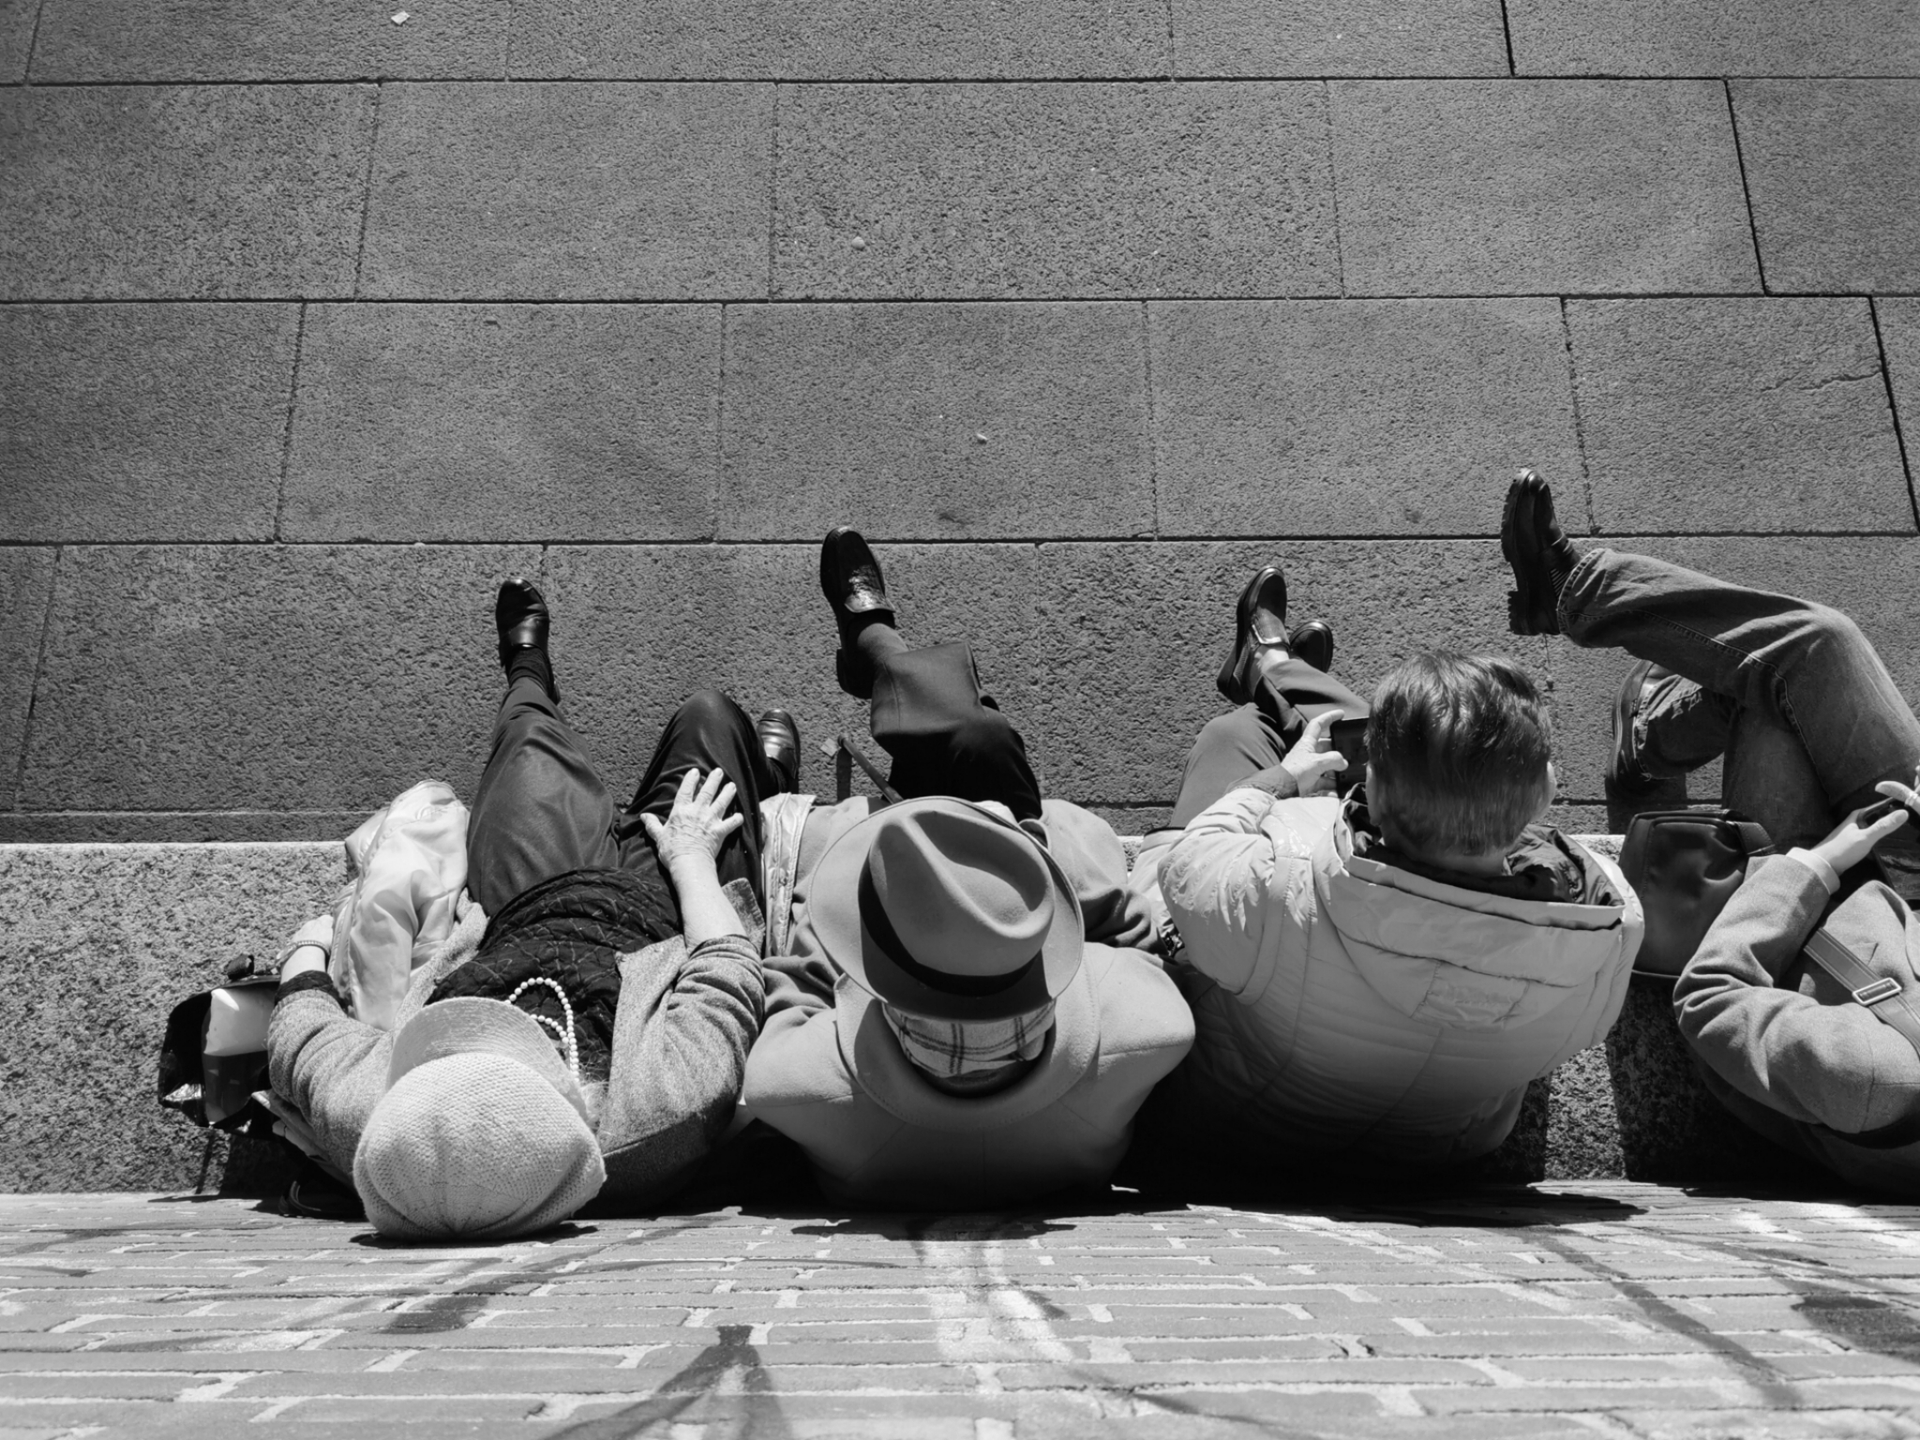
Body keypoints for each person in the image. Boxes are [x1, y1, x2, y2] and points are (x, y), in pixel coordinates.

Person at [267, 578, 793, 1238]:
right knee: (709, 718)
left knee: (525, 739)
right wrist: (689, 854)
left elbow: (302, 1042)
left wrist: (308, 947)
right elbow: (726, 969)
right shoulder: (657, 1119)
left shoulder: (386, 1130)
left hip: (523, 903)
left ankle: (527, 671)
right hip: (670, 906)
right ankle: (768, 786)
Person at [1132, 537, 1643, 1175]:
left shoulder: (1277, 885)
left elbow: (1189, 864)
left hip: (1239, 1132)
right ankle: (1280, 674)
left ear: (1368, 788)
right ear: (1545, 792)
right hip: (1438, 1153)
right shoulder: (1609, 927)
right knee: (1439, 747)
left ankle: (1270, 677)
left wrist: (1285, 783)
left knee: (1236, 734)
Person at [739, 529, 1194, 1207]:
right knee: (981, 742)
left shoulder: (794, 1083)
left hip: (932, 920)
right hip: (954, 947)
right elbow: (1132, 933)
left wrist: (876, 905)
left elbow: (793, 981)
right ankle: (883, 657)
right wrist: (1015, 866)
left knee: (981, 743)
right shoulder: (1146, 1032)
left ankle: (879, 653)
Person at [1502, 468, 1920, 1194]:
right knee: (1822, 648)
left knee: (1780, 687)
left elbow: (1712, 1000)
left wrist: (1818, 865)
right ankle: (1642, 733)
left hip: (1803, 916)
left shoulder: (1876, 1083)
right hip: (1899, 879)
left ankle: (1584, 610)